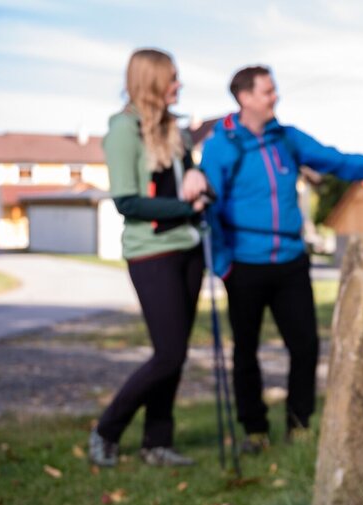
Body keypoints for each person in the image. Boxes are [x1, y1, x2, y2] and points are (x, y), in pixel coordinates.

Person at [200, 65, 363, 452]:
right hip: (244, 264)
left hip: (290, 261)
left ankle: (299, 423)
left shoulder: (287, 138)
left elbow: (336, 161)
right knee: (246, 351)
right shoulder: (222, 146)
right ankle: (254, 429)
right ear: (245, 97)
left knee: (304, 345)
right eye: (268, 91)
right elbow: (209, 207)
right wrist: (223, 264)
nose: (275, 97)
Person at [88, 48, 209, 467]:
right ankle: (107, 429)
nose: (179, 85)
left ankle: (157, 442)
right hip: (151, 253)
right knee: (168, 354)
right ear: (152, 82)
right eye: (172, 78)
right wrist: (186, 207)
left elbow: (190, 179)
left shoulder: (177, 131)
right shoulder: (124, 131)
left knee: (175, 355)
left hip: (189, 250)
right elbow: (127, 201)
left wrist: (197, 176)